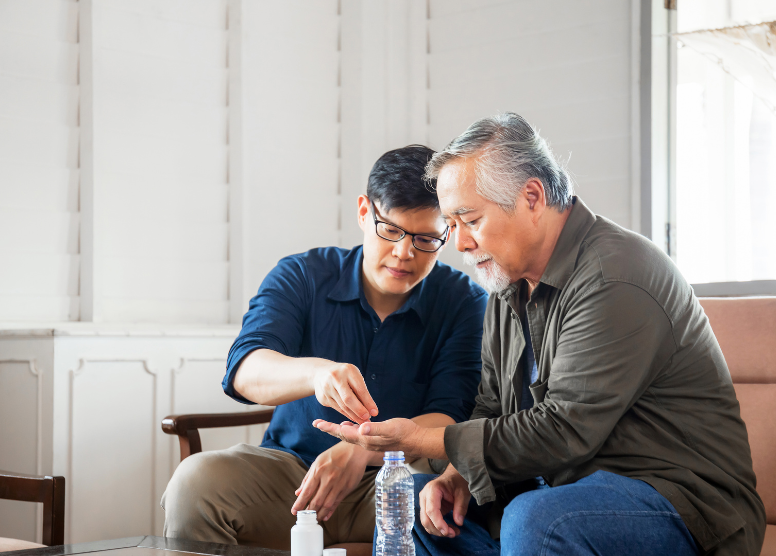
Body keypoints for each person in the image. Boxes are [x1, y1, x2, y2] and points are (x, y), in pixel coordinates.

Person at [314, 114, 766, 556]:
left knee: (539, 520)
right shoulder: (505, 285)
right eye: (451, 226)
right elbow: (490, 406)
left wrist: (414, 438)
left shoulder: (616, 275)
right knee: (415, 502)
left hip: (678, 503)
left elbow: (563, 430)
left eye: (469, 220)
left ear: (532, 196)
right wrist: (456, 475)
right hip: (557, 491)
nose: (461, 244)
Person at [160, 145, 488, 552]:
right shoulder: (303, 275)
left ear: (448, 233)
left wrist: (359, 449)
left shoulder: (465, 303)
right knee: (196, 484)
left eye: (425, 238)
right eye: (391, 230)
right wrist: (316, 374)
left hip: (401, 478)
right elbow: (245, 369)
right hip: (293, 477)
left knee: (442, 505)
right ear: (364, 212)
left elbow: (450, 416)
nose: (405, 253)